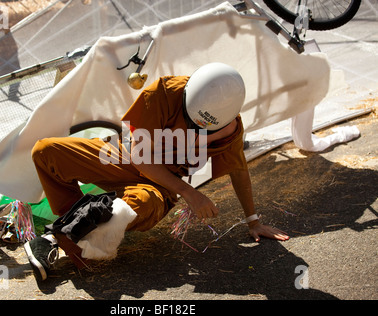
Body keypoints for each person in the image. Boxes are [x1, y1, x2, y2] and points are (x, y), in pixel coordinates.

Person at [24, 62, 289, 281]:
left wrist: (253, 221)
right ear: (186, 95)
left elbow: (239, 171)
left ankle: (59, 239)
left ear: (226, 120)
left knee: (143, 204)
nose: (190, 128)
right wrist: (190, 193)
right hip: (125, 156)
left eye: (201, 129)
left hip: (163, 183)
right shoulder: (163, 92)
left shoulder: (230, 129)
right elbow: (140, 159)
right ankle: (70, 228)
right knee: (45, 152)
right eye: (187, 119)